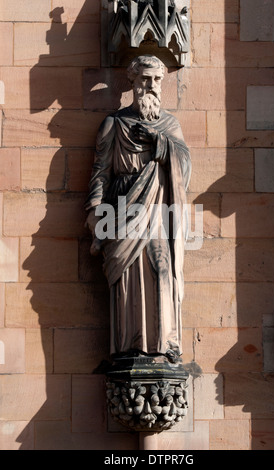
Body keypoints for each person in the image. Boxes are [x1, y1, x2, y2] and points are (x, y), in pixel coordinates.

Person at [85, 55, 191, 363]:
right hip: (121, 211)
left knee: (162, 270)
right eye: (145, 79)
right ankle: (129, 347)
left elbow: (184, 166)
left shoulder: (169, 124)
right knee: (128, 281)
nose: (152, 86)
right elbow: (100, 173)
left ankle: (163, 345)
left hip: (158, 211)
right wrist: (95, 212)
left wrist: (159, 143)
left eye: (157, 79)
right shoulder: (114, 124)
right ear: (133, 82)